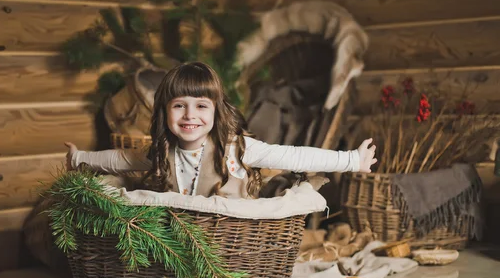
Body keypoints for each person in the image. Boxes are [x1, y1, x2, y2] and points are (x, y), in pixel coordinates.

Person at [65, 62, 376, 199]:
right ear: (164, 111)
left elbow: (293, 155)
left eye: (201, 106)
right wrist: (81, 158)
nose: (190, 115)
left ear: (216, 110)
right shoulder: (160, 151)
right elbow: (121, 159)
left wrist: (350, 161)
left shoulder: (238, 149)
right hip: (182, 241)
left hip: (231, 242)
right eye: (179, 106)